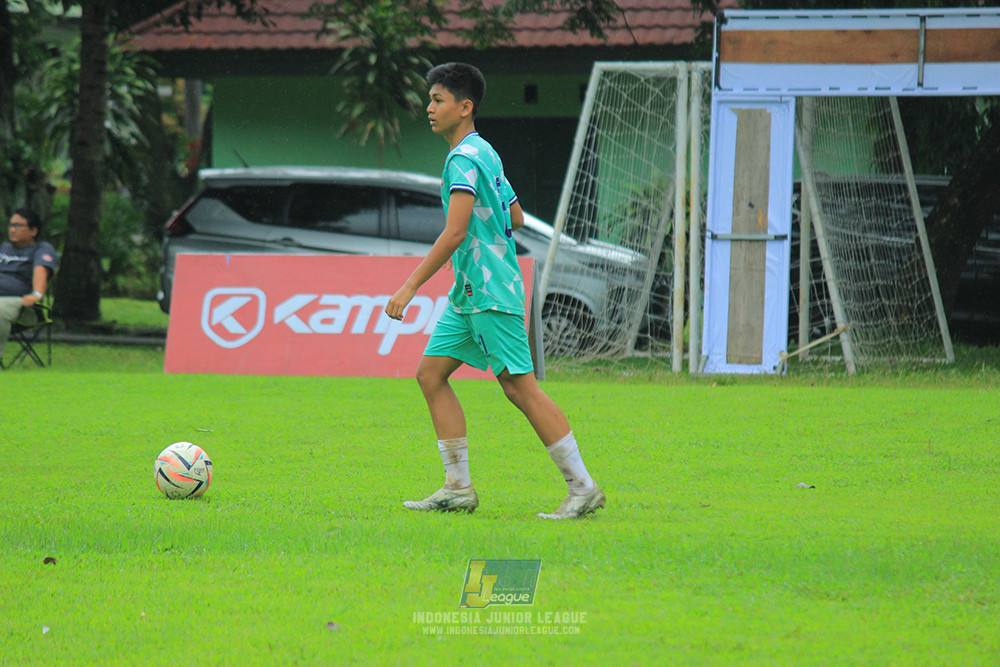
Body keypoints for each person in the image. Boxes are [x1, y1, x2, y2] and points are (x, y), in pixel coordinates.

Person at [385, 62, 605, 520]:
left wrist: (408, 287)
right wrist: (487, 237)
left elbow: (454, 232)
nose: (429, 107)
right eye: (430, 99)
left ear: (464, 108)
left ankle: (582, 486)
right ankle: (458, 487)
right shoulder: (484, 151)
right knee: (430, 374)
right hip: (470, 295)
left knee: (519, 387)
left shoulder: (463, 159)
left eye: (438, 100)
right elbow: (517, 216)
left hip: (489, 292)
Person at [0, 208, 59, 362]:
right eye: (11, 225)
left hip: (23, 305)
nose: (12, 229)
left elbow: (41, 271)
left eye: (18, 225)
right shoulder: (3, 248)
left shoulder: (41, 249)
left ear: (33, 230)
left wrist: (37, 295)